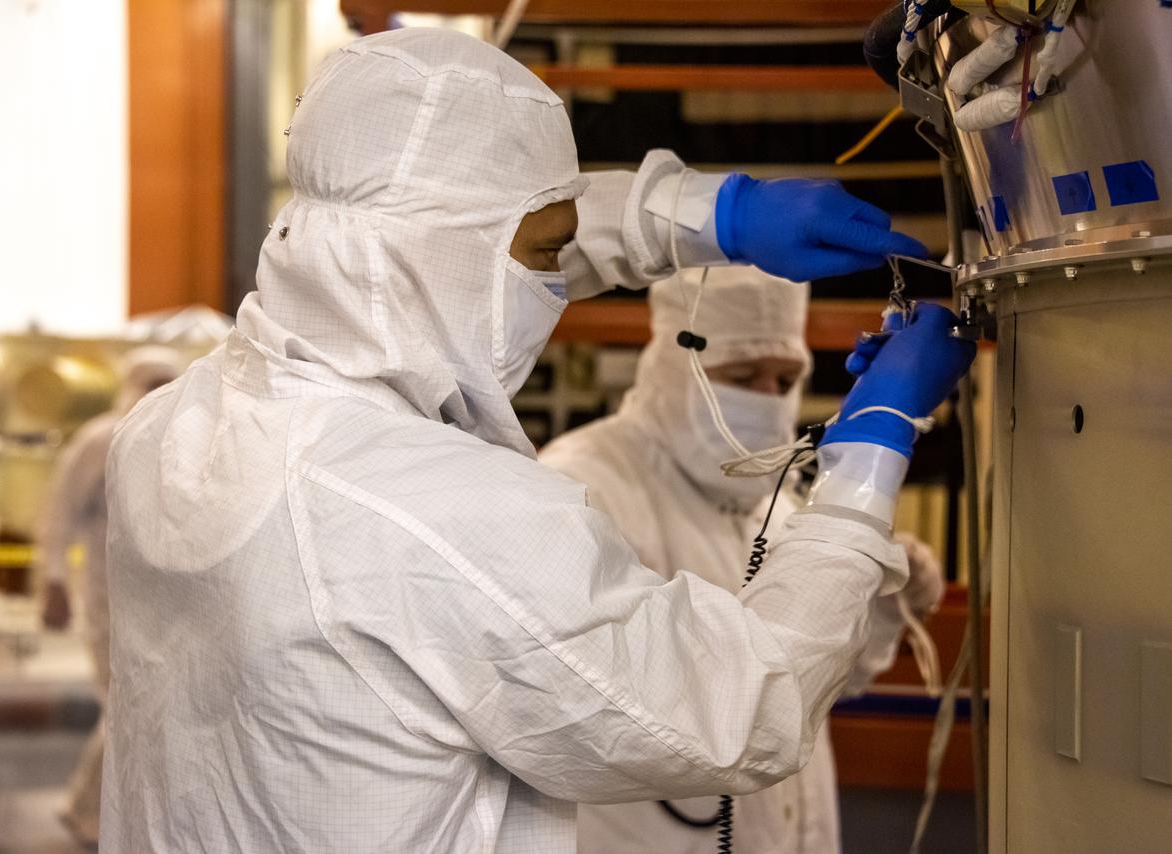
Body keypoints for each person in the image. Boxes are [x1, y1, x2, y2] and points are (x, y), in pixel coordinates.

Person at [101, 28, 974, 852]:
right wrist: (868, 458)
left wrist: (715, 216)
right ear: (453, 254)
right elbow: (740, 707)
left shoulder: (175, 426)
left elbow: (461, 238)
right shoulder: (436, 513)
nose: (557, 286)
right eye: (547, 258)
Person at [541, 269, 944, 853]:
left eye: (784, 379)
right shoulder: (586, 486)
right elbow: (632, 711)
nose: (765, 396)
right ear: (679, 364)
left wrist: (875, 604)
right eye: (741, 376)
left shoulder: (772, 497)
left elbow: (810, 683)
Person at [38, 346, 183, 848]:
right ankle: (88, 815)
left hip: (156, 600)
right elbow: (58, 515)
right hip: (104, 598)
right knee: (123, 706)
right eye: (150, 381)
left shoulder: (175, 437)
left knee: (134, 707)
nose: (157, 391)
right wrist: (52, 583)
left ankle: (88, 811)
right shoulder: (99, 439)